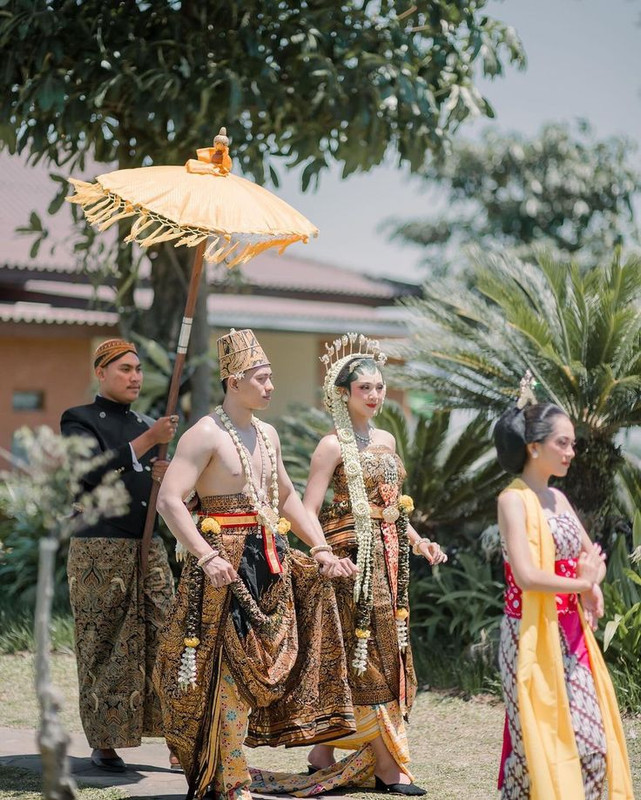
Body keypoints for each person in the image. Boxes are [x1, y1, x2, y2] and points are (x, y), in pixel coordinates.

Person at [153, 328, 357, 800]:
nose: (270, 387)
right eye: (261, 379)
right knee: (227, 671)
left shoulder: (268, 434)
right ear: (233, 381)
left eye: (271, 378)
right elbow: (169, 499)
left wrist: (321, 548)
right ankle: (230, 779)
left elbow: (285, 497)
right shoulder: (204, 433)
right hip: (223, 564)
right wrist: (206, 556)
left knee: (257, 669)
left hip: (268, 559)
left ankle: (232, 766)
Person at [251, 333, 448, 798]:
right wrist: (324, 555)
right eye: (365, 388)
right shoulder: (331, 446)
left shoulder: (387, 439)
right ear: (343, 394)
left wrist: (419, 542)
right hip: (351, 565)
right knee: (365, 655)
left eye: (380, 387)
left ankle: (323, 752)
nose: (375, 395)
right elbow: (308, 509)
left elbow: (393, 508)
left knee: (383, 652)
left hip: (391, 559)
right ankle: (387, 766)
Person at [493, 372, 633, 799]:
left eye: (572, 443)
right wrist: (581, 583)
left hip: (571, 635)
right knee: (535, 749)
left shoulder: (559, 499)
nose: (572, 452)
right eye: (563, 443)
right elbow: (526, 575)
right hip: (528, 636)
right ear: (534, 447)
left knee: (592, 746)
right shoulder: (513, 500)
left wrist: (592, 584)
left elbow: (594, 559)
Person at [61, 338, 179, 773]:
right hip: (99, 548)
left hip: (149, 547)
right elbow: (88, 474)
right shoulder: (79, 420)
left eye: (138, 369)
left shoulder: (148, 425)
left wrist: (165, 475)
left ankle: (176, 737)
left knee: (166, 638)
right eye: (125, 369)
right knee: (104, 643)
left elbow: (160, 491)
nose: (135, 377)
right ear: (101, 372)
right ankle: (105, 740)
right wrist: (149, 442)